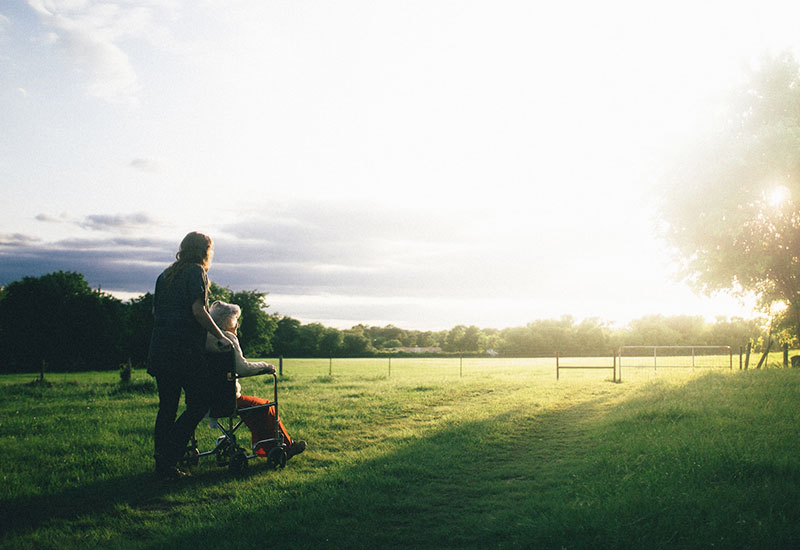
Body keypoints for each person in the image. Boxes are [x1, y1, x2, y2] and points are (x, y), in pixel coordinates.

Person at [147, 232, 233, 480]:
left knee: (167, 408)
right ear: (204, 250)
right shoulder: (196, 272)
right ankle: (169, 456)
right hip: (183, 352)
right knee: (199, 404)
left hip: (160, 349)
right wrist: (220, 336)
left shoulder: (165, 276)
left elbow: (156, 312)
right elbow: (199, 311)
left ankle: (162, 465)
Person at [206, 300, 306, 461]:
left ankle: (265, 447)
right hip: (227, 399)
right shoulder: (227, 338)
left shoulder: (204, 338)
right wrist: (266, 366)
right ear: (228, 321)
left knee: (254, 408)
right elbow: (243, 368)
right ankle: (286, 446)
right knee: (265, 406)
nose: (237, 325)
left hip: (206, 399)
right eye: (236, 320)